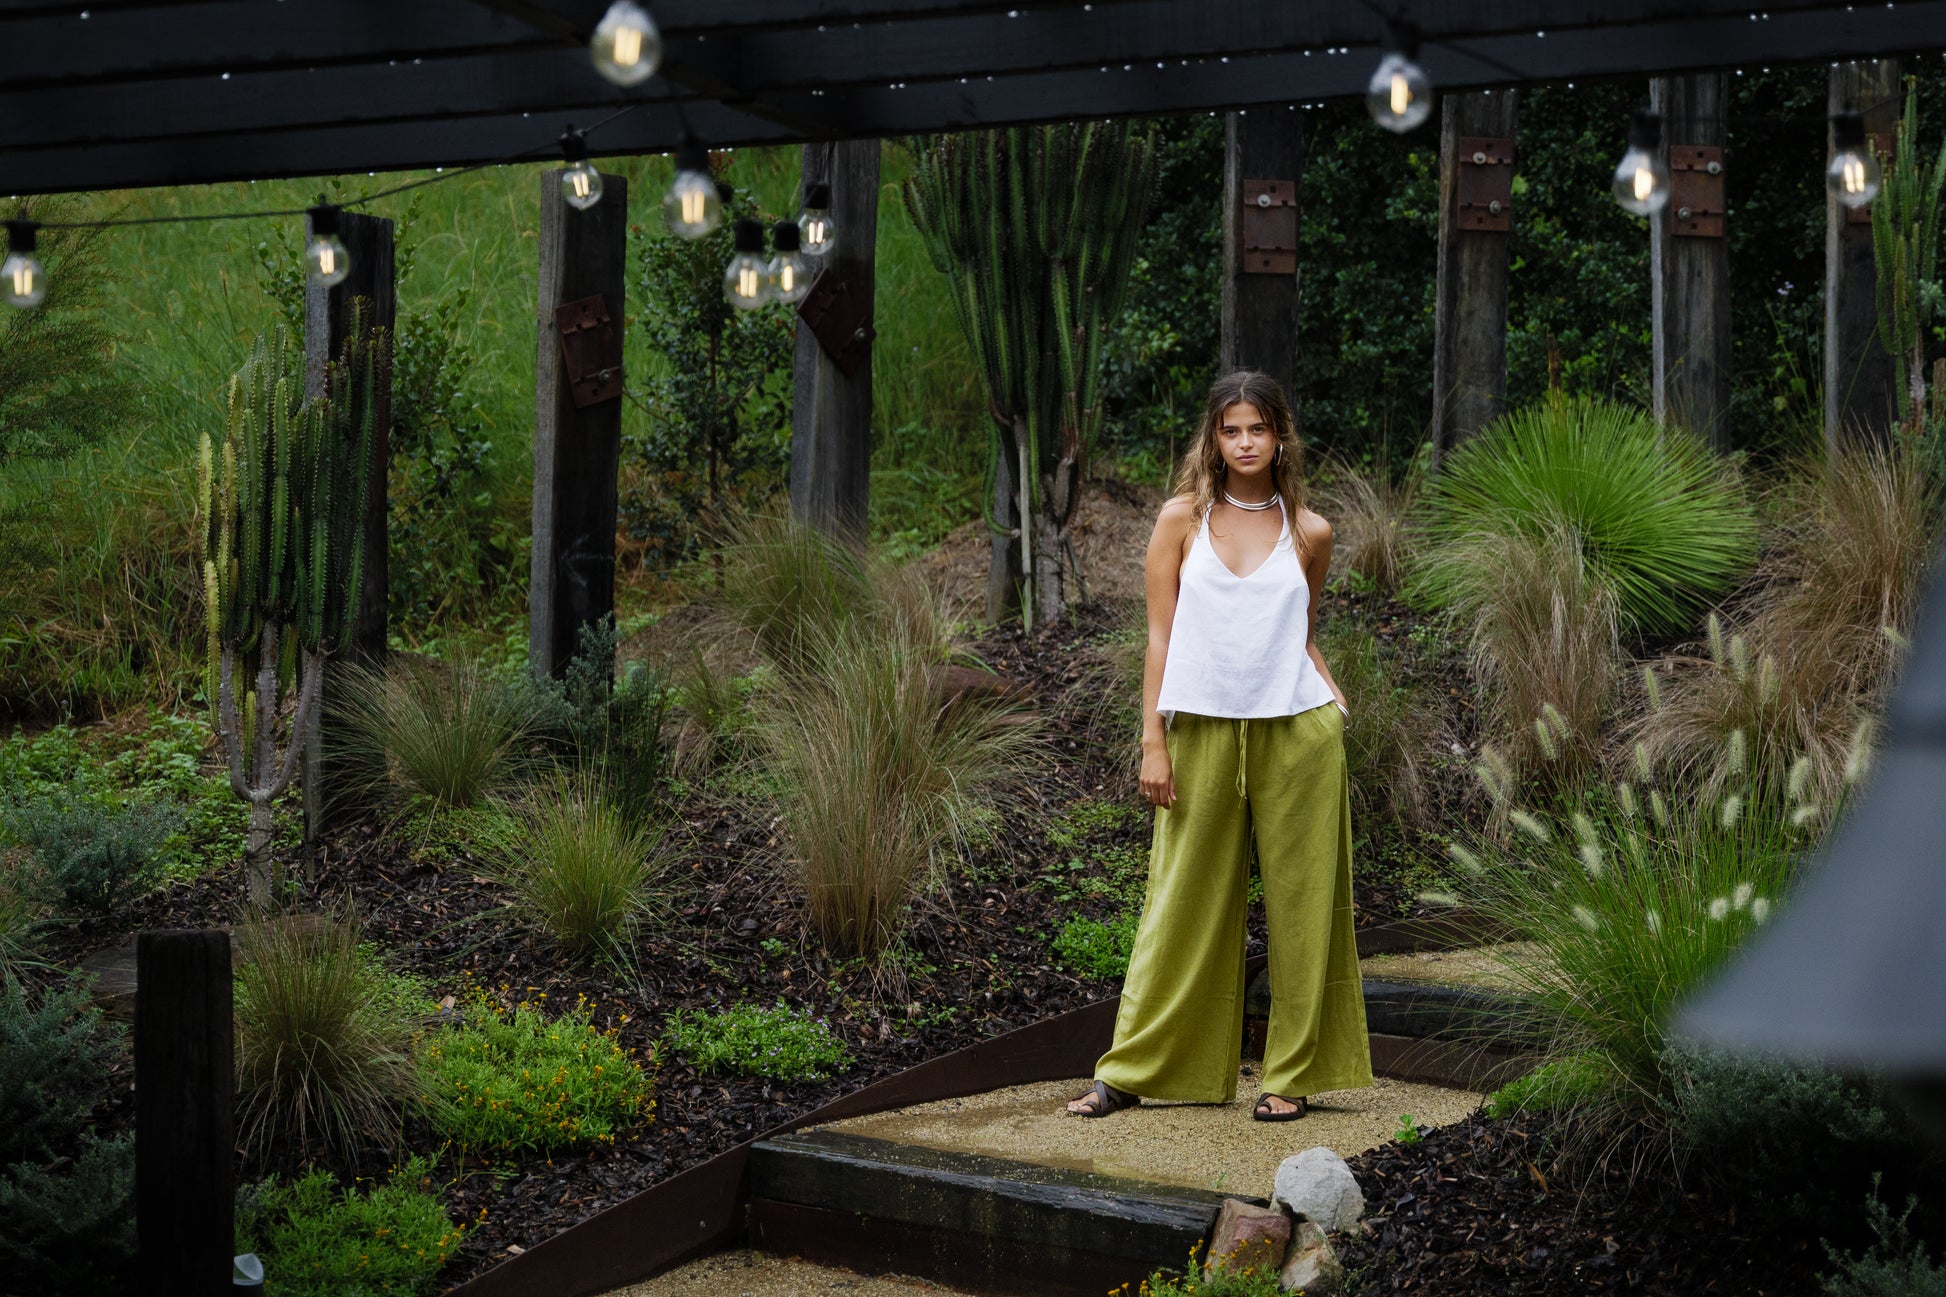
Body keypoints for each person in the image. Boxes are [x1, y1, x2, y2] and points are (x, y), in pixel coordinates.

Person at [1066, 370, 1372, 1122]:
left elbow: (1299, 632)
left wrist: (1332, 697)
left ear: (1280, 437)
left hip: (1295, 731)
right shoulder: (1180, 520)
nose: (1244, 442)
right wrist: (1152, 739)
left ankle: (1289, 1075)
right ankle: (1132, 1068)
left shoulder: (1311, 531)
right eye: (1230, 429)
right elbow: (1160, 634)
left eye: (1258, 429)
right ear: (1213, 437)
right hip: (1198, 727)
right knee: (1179, 898)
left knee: (1307, 904)